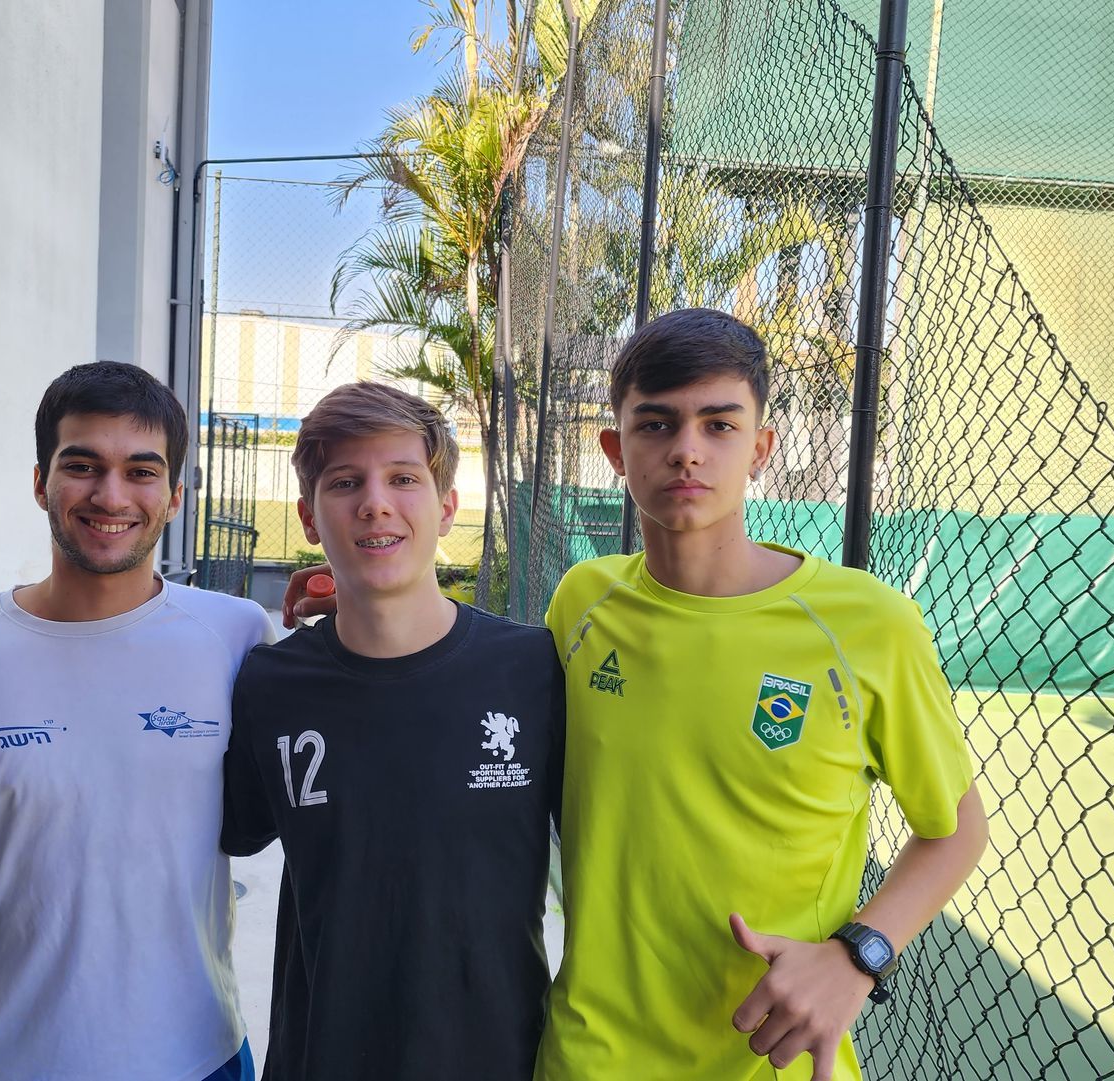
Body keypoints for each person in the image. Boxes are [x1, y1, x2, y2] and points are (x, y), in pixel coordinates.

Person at [284, 310, 989, 1081]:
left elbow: (953, 831)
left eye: (719, 424)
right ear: (617, 451)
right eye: (656, 424)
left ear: (760, 448)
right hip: (588, 1057)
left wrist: (859, 954)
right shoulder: (584, 602)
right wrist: (365, 598)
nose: (687, 449)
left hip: (770, 1062)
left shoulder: (867, 625)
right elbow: (474, 676)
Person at [0, 361, 271, 1081]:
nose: (111, 495)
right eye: (83, 465)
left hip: (200, 1057)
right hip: (6, 1059)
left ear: (175, 496)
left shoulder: (236, 636)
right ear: (40, 481)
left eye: (141, 470)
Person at [222, 382, 564, 1081]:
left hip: (497, 1059)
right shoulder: (269, 682)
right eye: (346, 482)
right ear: (309, 519)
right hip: (319, 1056)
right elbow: (233, 832)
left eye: (402, 478)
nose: (375, 501)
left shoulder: (531, 666)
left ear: (446, 507)